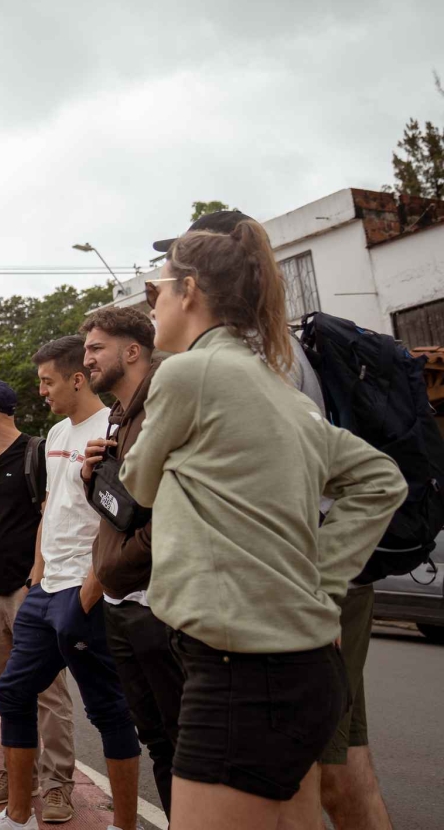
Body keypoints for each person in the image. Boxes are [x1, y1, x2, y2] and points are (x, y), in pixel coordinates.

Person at [122, 221, 408, 830]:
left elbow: (137, 485)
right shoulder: (281, 388)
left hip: (239, 674)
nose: (152, 307)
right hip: (299, 666)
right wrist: (322, 583)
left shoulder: (184, 374)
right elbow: (381, 480)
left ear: (188, 291)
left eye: (157, 291)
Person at [0, 337, 141, 830]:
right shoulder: (57, 433)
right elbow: (50, 510)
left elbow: (118, 520)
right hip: (45, 589)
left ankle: (124, 825)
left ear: (77, 379)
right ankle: (18, 817)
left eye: (47, 381)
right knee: (13, 693)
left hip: (87, 590)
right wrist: (37, 576)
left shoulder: (112, 430)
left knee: (107, 710)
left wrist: (89, 589)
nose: (41, 391)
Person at [78, 307, 181, 819]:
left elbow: (170, 514)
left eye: (97, 348)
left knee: (185, 743)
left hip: (158, 603)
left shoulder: (164, 403)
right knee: (158, 740)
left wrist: (115, 568)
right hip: (122, 601)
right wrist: (91, 477)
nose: (87, 359)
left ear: (133, 350)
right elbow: (122, 508)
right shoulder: (120, 412)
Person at [0, 379, 76, 816]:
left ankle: (58, 784)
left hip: (30, 590)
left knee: (49, 692)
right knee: (9, 690)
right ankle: (18, 773)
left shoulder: (37, 452)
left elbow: (51, 515)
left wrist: (36, 579)